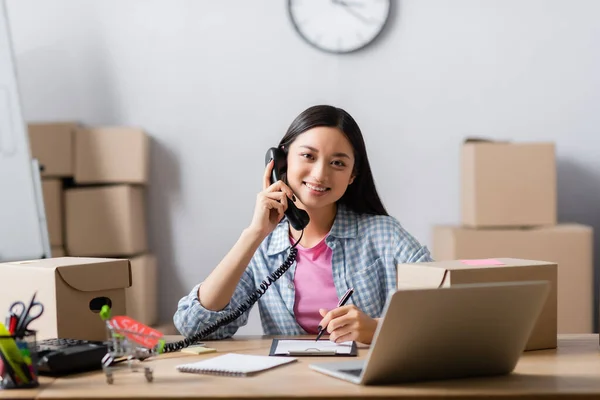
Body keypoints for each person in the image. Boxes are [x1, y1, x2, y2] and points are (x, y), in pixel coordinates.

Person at [174, 105, 433, 344]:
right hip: (290, 385)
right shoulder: (264, 248)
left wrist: (377, 329)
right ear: (281, 163)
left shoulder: (384, 235)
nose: (320, 174)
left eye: (338, 163)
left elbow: (442, 311)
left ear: (353, 175)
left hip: (362, 383)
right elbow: (194, 326)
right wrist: (253, 234)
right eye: (308, 156)